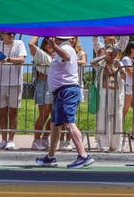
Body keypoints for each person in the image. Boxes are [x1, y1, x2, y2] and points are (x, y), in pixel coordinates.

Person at [35, 36, 94, 169]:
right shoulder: (62, 48)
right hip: (60, 92)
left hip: (66, 91)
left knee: (68, 122)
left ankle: (83, 155)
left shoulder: (65, 48)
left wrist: (54, 46)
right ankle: (50, 156)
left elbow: (66, 57)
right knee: (55, 124)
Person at [0, 31, 27, 151]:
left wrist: (8, 59)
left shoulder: (19, 43)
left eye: (13, 33)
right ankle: (3, 139)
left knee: (13, 112)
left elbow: (22, 59)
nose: (12, 35)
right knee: (2, 112)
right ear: (2, 35)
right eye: (9, 34)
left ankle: (11, 140)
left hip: (15, 82)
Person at [94, 45, 124, 152]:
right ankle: (104, 144)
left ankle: (116, 145)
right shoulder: (102, 63)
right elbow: (92, 62)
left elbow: (124, 77)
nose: (112, 55)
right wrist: (104, 57)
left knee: (117, 118)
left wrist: (119, 69)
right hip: (104, 91)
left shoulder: (119, 63)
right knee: (103, 117)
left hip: (116, 91)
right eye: (110, 53)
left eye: (114, 53)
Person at [30, 37, 54, 150]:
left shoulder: (59, 54)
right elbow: (31, 44)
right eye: (47, 41)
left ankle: (45, 138)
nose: (50, 42)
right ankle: (36, 139)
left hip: (56, 85)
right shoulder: (40, 54)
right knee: (44, 114)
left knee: (55, 114)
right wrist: (38, 34)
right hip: (44, 84)